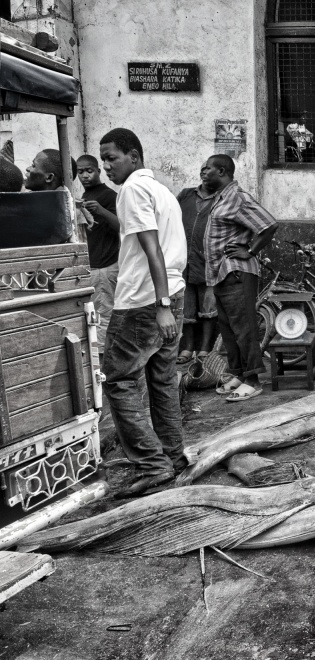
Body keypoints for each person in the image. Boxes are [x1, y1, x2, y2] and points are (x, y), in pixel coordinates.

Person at [98, 128, 187, 498]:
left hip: (144, 301)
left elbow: (153, 251)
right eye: (102, 159)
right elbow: (140, 238)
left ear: (133, 156)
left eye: (111, 158)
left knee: (117, 380)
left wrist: (162, 306)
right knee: (162, 380)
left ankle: (152, 464)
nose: (105, 167)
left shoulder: (134, 189)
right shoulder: (162, 191)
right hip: (170, 294)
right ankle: (173, 455)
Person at [202, 155, 278, 403]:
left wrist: (252, 250)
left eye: (208, 168)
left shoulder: (237, 197)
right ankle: (238, 374)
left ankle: (253, 381)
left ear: (222, 171)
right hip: (222, 274)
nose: (202, 171)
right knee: (229, 329)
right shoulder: (220, 198)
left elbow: (268, 224)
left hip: (237, 272)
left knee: (244, 328)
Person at [176, 164, 222, 364]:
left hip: (209, 263)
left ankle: (205, 348)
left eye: (209, 169)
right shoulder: (185, 195)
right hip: (184, 261)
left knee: (208, 308)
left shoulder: (221, 199)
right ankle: (187, 347)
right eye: (202, 168)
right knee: (187, 308)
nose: (204, 171)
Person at [77, 154, 120, 356]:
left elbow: (123, 227)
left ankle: (103, 359)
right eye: (80, 172)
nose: (84, 175)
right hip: (92, 266)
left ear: (98, 171)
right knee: (93, 315)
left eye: (89, 171)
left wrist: (101, 211)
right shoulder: (83, 197)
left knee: (103, 314)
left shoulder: (109, 196)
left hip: (105, 266)